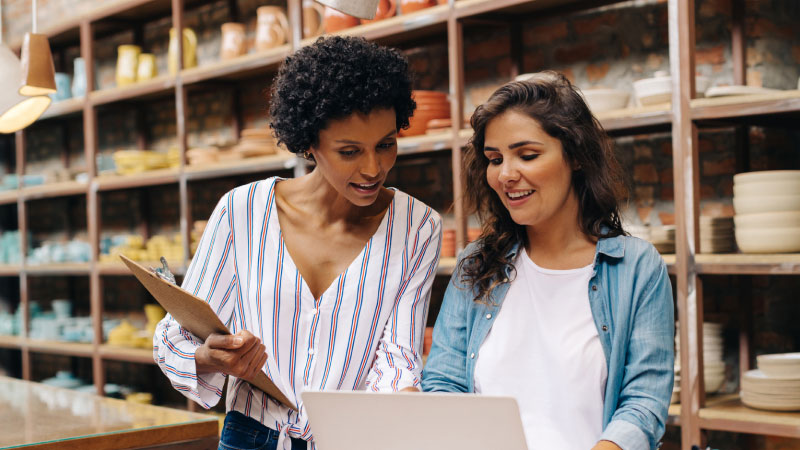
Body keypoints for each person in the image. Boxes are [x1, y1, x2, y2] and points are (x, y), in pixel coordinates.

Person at [154, 36, 441, 450]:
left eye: (386, 144)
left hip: (352, 441)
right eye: (349, 151)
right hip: (249, 436)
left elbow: (397, 362)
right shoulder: (243, 211)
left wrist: (409, 413)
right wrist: (210, 357)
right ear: (309, 143)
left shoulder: (418, 227)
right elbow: (175, 336)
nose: (373, 168)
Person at [421, 72, 674, 450]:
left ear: (574, 156)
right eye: (494, 159)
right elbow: (443, 381)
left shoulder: (637, 267)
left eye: (527, 155)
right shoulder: (477, 265)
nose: (506, 174)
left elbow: (643, 404)